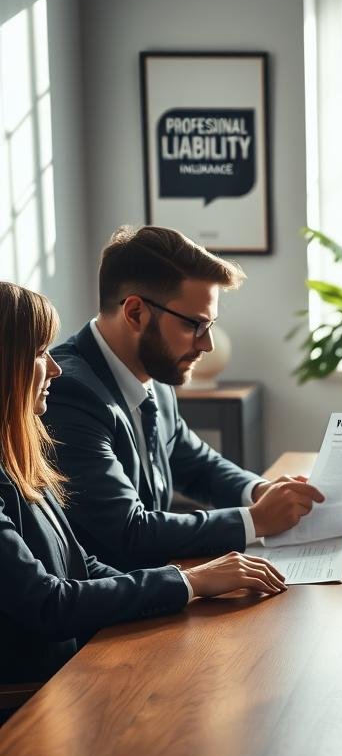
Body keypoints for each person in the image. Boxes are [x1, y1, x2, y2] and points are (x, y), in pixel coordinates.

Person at [0, 282, 288, 686]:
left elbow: (81, 566)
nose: (55, 368)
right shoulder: (72, 399)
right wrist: (188, 582)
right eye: (38, 353)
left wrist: (189, 584)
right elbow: (48, 603)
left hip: (71, 667)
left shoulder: (20, 457)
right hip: (34, 695)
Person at [44, 225, 323, 571]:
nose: (206, 345)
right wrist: (255, 521)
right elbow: (128, 531)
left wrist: (258, 491)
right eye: (194, 325)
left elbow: (195, 462)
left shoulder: (154, 375)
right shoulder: (67, 393)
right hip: (110, 613)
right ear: (135, 313)